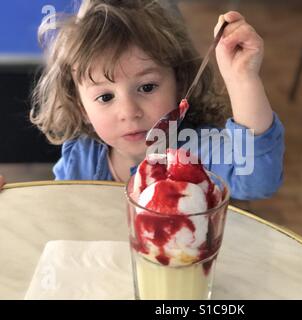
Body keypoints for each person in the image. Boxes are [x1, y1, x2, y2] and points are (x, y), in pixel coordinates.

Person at [2, 0, 285, 200]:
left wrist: (242, 79)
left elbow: (257, 180)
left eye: (147, 87)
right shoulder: (81, 158)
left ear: (180, 84)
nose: (129, 111)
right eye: (105, 96)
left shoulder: (201, 153)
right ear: (81, 108)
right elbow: (62, 217)